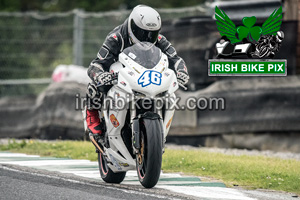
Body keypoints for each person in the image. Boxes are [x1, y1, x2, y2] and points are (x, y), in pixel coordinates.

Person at [86, 5, 189, 136]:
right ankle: (92, 115)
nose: (147, 37)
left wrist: (182, 72)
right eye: (142, 33)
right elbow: (96, 65)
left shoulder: (159, 39)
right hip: (121, 74)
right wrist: (101, 76)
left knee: (169, 93)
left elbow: (176, 59)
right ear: (132, 27)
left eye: (152, 33)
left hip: (147, 75)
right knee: (94, 87)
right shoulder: (116, 38)